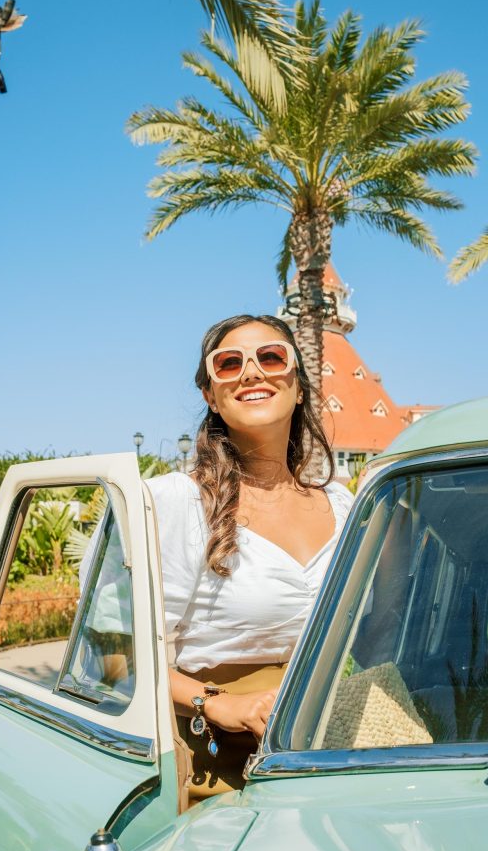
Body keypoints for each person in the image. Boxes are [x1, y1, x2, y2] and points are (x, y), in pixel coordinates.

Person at [146, 313, 353, 803]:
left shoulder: (344, 505)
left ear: (298, 387)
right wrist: (219, 704)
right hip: (220, 762)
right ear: (210, 396)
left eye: (272, 357)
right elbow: (119, 660)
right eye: (229, 363)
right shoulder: (175, 503)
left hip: (336, 754)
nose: (252, 372)